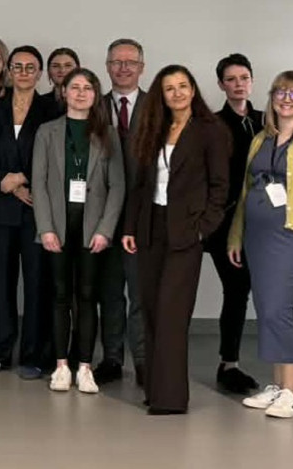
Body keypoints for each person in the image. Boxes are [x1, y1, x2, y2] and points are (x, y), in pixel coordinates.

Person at [122, 65, 230, 415]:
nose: (177, 93)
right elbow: (140, 185)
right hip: (150, 227)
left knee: (172, 314)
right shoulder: (154, 128)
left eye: (183, 86)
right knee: (152, 309)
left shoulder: (210, 131)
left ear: (193, 90)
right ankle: (155, 390)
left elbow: (220, 187)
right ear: (162, 95)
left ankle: (170, 399)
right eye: (170, 88)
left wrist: (203, 228)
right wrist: (130, 227)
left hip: (185, 232)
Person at [230, 71, 293, 419]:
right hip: (258, 238)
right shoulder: (262, 138)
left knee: (279, 309)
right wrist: (236, 235)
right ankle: (277, 386)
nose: (287, 100)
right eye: (281, 93)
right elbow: (246, 191)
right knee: (266, 308)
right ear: (272, 97)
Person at [31, 68, 125, 393]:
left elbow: (117, 186)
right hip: (58, 226)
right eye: (75, 87)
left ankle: (84, 367)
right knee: (60, 295)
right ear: (64, 92)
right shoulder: (47, 132)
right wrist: (45, 228)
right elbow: (39, 183)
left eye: (88, 88)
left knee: (87, 296)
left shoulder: (108, 134)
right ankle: (61, 366)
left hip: (93, 228)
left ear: (95, 95)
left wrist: (105, 230)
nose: (81, 93)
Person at [0, 45, 59, 377]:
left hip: (36, 209)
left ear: (40, 73)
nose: (23, 72)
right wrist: (4, 181)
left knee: (38, 283)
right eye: (18, 66)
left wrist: (24, 179)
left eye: (30, 67)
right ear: (9, 71)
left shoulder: (51, 110)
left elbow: (56, 157)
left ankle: (34, 356)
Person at [205, 54, 264, 394]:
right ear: (221, 85)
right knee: (237, 288)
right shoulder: (212, 125)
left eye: (244, 78)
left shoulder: (267, 121)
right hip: (225, 223)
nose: (238, 84)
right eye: (231, 79)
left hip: (263, 221)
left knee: (256, 290)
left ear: (252, 81)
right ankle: (229, 364)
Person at [98, 38, 148, 386]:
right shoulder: (94, 106)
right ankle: (112, 358)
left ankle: (143, 360)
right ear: (107, 67)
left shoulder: (157, 108)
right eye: (117, 62)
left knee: (141, 293)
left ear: (141, 67)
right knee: (110, 292)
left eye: (131, 62)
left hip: (143, 216)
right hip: (104, 215)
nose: (124, 68)